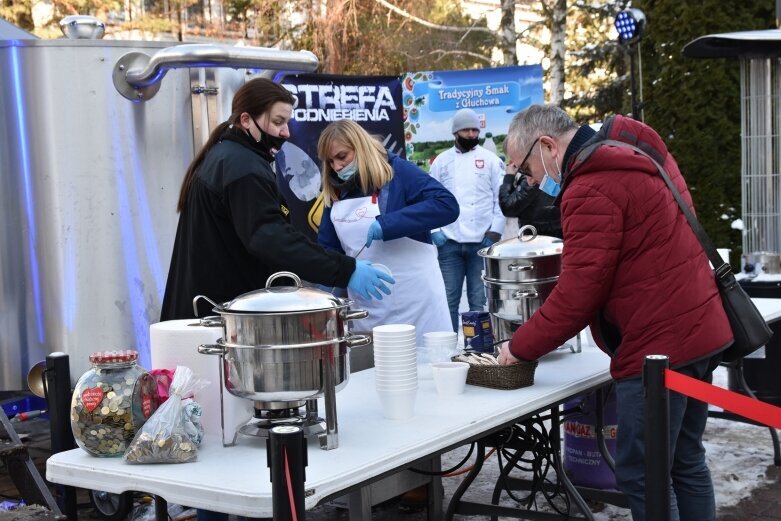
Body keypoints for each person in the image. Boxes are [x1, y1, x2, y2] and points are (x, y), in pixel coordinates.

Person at [496, 104, 733, 521]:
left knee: (644, 473)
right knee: (684, 461)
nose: (530, 182)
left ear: (547, 145)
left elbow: (578, 292)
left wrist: (520, 347)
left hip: (659, 347)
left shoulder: (591, 184)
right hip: (697, 326)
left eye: (527, 169)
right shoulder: (633, 150)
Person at [160, 78, 395, 323]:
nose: (286, 132)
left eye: (287, 122)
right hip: (219, 316)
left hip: (207, 310)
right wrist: (346, 270)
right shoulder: (243, 167)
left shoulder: (228, 157)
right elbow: (271, 238)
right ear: (246, 120)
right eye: (277, 122)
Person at [317, 119, 458, 342]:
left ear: (360, 147)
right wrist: (345, 272)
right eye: (330, 161)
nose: (337, 167)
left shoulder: (398, 172)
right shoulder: (334, 192)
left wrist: (388, 224)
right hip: (368, 309)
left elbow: (446, 205)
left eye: (342, 157)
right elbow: (326, 248)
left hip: (418, 304)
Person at [429, 108, 506, 332]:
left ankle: (479, 348)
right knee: (449, 300)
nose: (472, 134)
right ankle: (450, 348)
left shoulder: (491, 160)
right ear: (456, 132)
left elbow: (500, 199)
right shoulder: (441, 162)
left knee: (478, 300)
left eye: (475, 130)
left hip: (481, 243)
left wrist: (495, 231)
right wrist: (435, 230)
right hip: (449, 243)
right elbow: (431, 199)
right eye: (466, 130)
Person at [499, 161, 562, 238]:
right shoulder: (553, 168)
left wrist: (509, 177)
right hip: (553, 234)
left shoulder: (534, 174)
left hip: (540, 237)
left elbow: (508, 207)